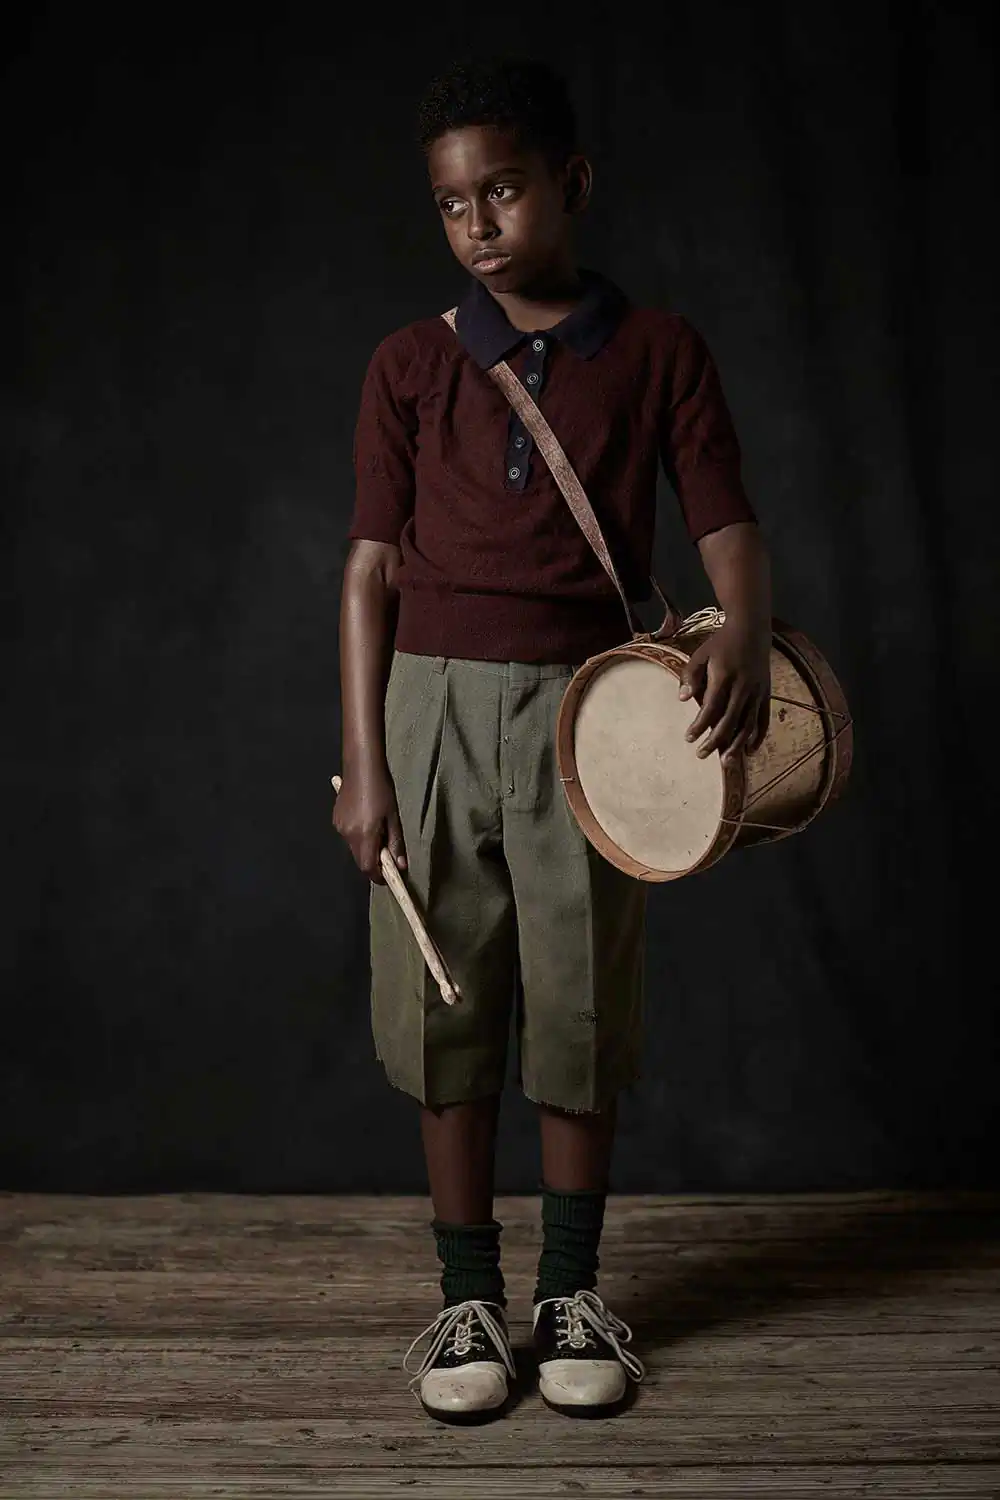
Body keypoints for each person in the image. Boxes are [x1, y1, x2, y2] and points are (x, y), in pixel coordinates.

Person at [333, 54, 772, 1425]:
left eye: (506, 191)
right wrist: (367, 763)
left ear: (573, 183)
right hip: (430, 709)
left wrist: (747, 626)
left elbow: (724, 517)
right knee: (443, 1000)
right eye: (453, 204)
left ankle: (571, 1295)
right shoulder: (410, 364)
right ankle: (467, 1299)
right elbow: (369, 572)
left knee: (580, 1000)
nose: (479, 225)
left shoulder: (659, 352)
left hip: (595, 713)